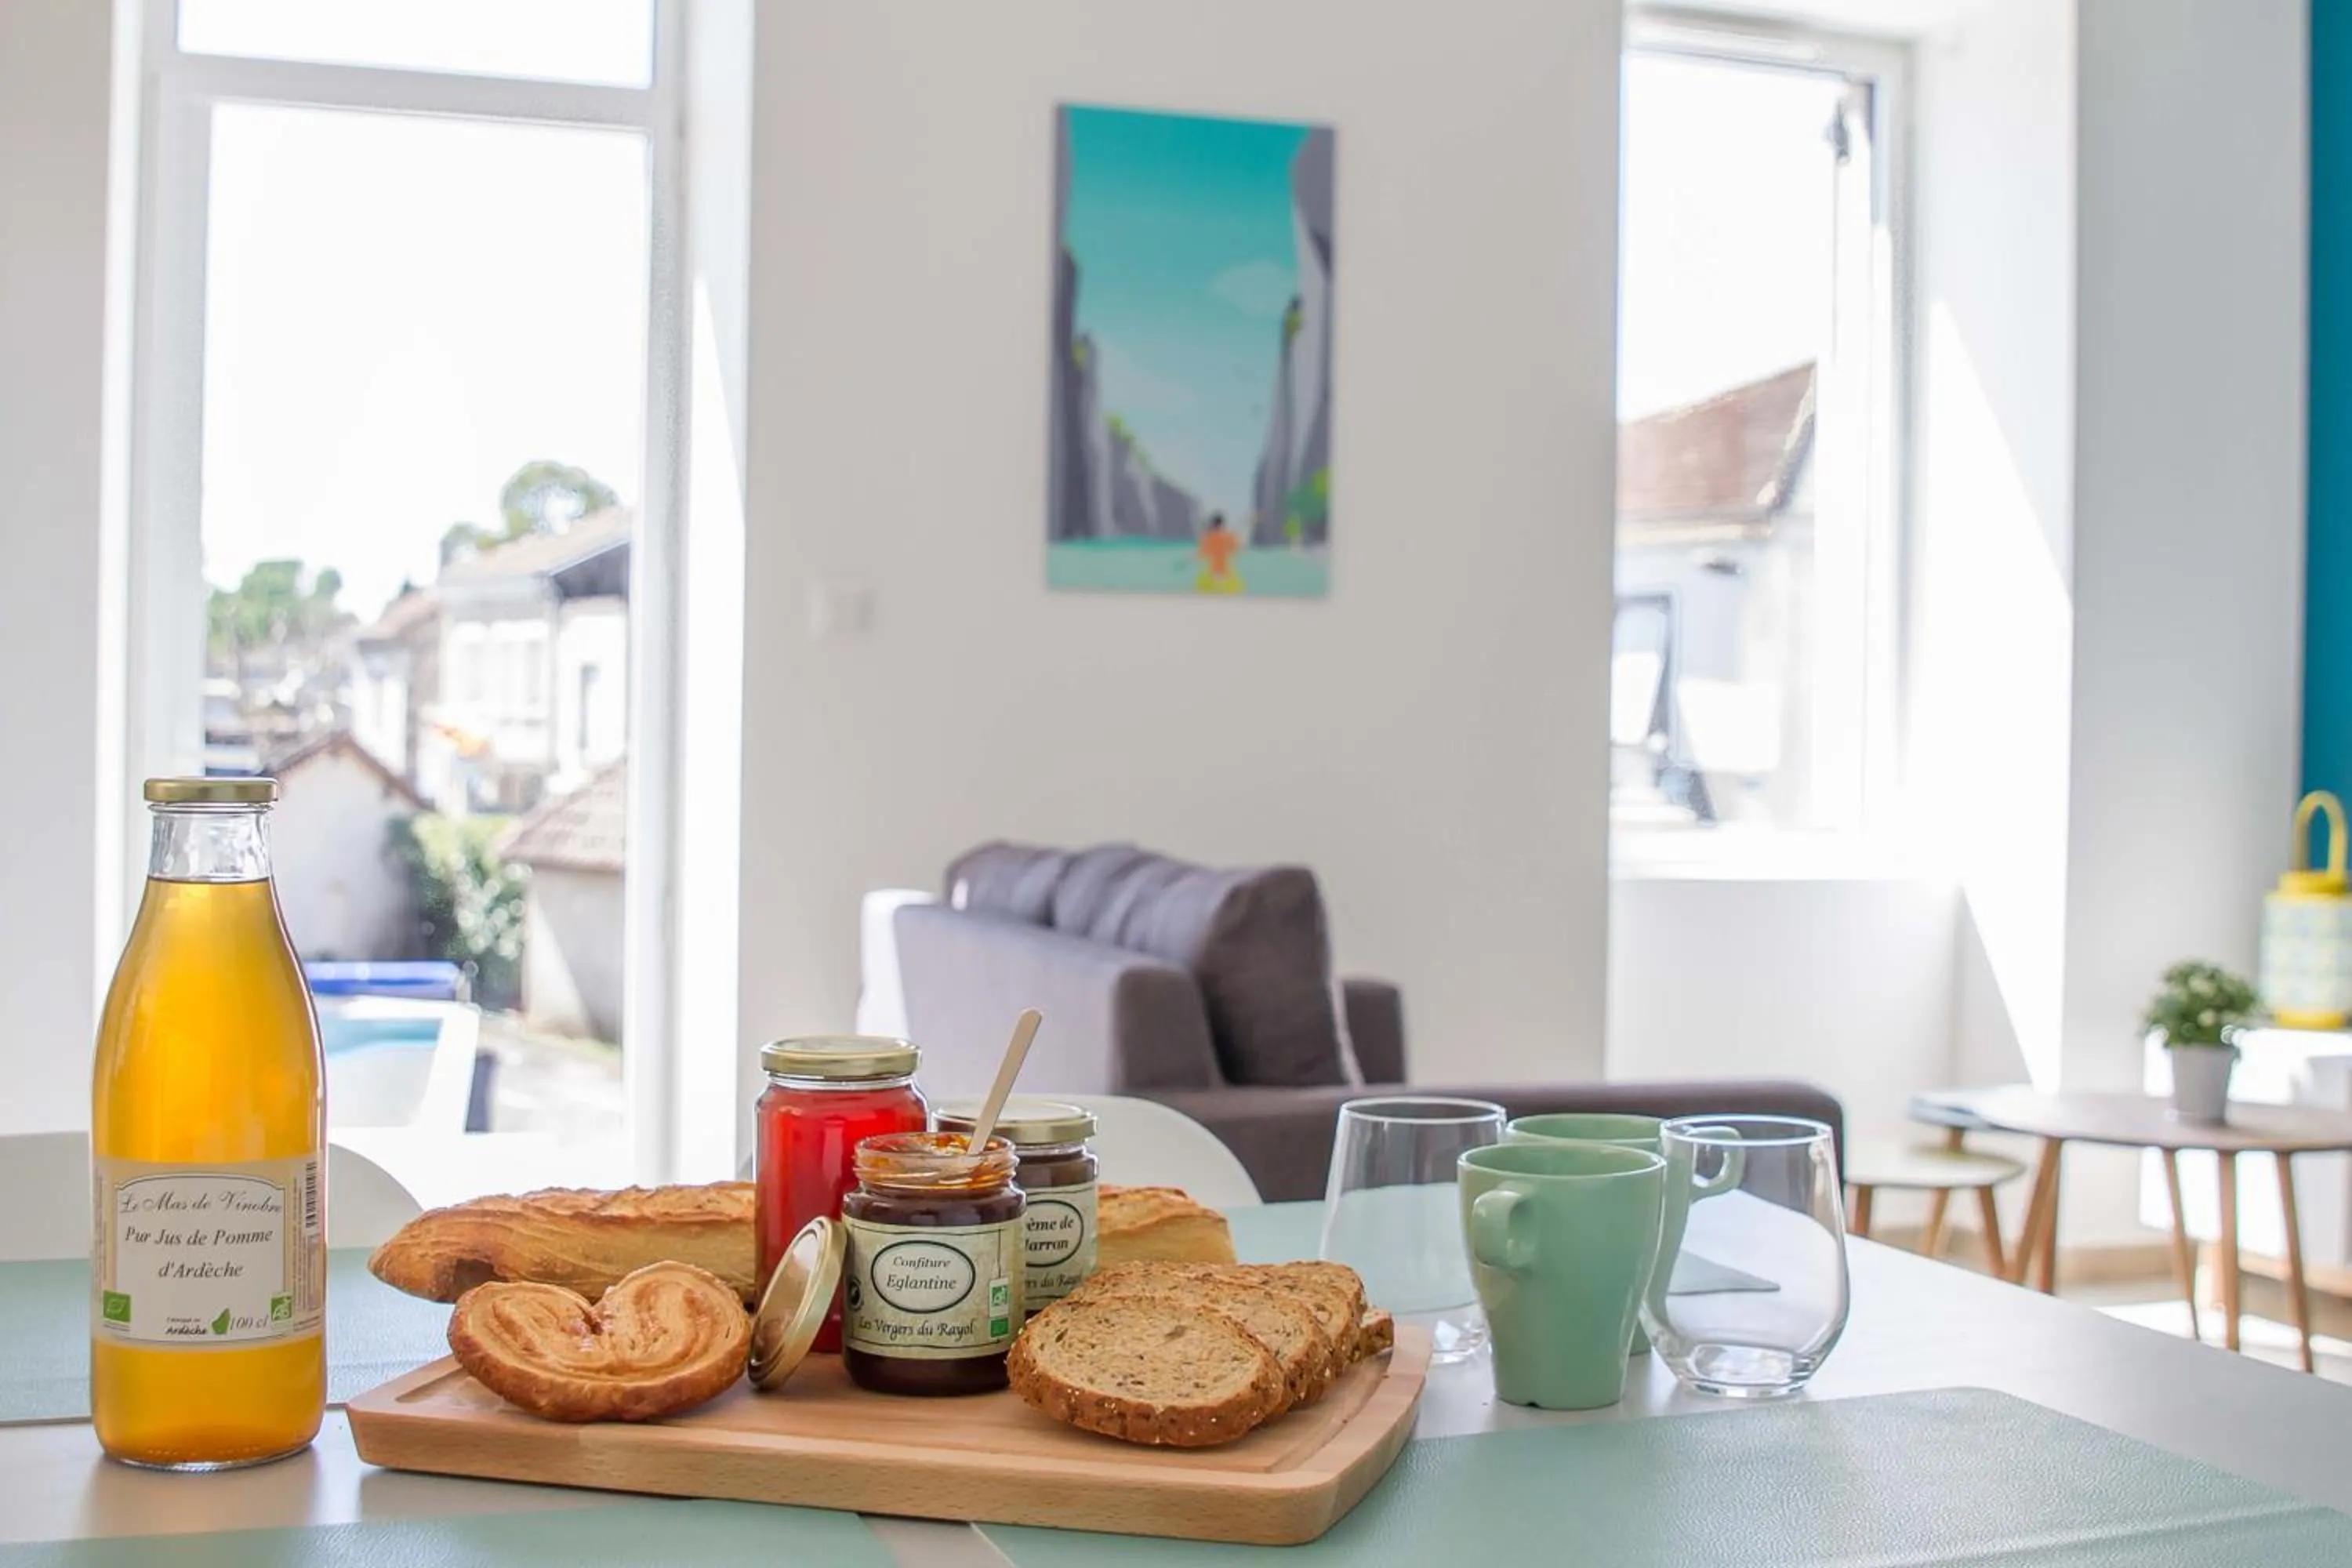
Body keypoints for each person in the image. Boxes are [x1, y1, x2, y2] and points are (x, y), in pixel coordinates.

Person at [1195, 513, 1243, 594]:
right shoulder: (1230, 536)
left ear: (1212, 524)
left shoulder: (1208, 538)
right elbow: (1239, 550)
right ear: (1223, 524)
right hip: (1227, 573)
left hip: (1212, 573)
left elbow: (1201, 554)